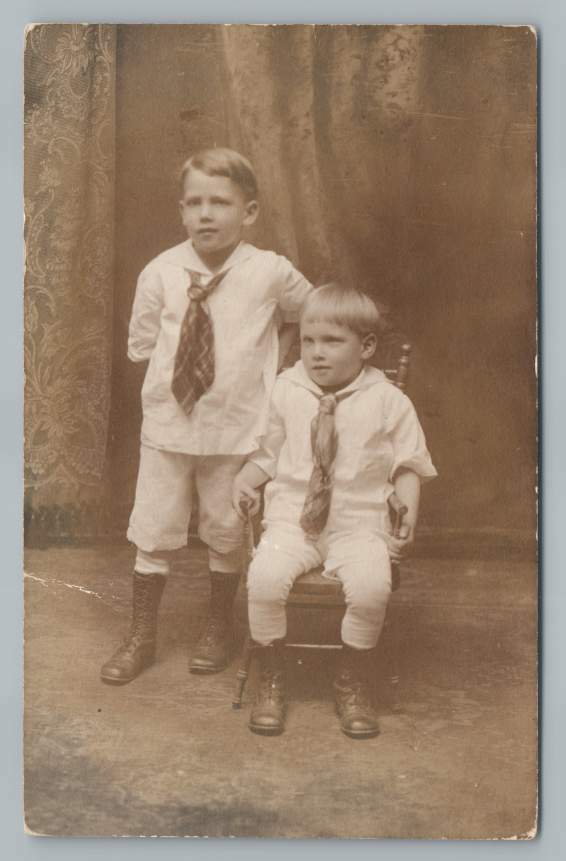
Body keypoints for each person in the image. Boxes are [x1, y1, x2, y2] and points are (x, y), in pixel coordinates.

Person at [100, 148, 313, 684]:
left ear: (251, 211)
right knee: (153, 530)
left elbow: (312, 313)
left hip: (239, 427)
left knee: (224, 530)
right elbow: (145, 346)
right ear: (180, 211)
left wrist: (276, 355)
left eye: (220, 202)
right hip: (170, 428)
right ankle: (142, 635)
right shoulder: (161, 271)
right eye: (194, 202)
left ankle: (220, 626)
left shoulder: (270, 272)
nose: (205, 214)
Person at [232, 284, 437, 738]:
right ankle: (272, 673)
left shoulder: (389, 401)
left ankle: (352, 677)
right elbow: (267, 453)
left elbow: (408, 466)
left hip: (359, 525)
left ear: (366, 347)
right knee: (263, 582)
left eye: (331, 342)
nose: (316, 353)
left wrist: (410, 514)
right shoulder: (287, 390)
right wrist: (245, 481)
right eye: (308, 340)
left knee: (370, 588)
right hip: (293, 523)